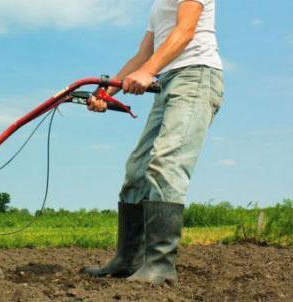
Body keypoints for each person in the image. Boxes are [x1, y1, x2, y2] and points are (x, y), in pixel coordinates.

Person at [82, 0, 224, 285]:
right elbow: (142, 55)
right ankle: (128, 259)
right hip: (167, 81)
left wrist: (149, 71)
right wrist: (106, 93)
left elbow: (184, 32)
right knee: (138, 169)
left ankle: (160, 265)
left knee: (166, 163)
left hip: (196, 76)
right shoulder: (158, 5)